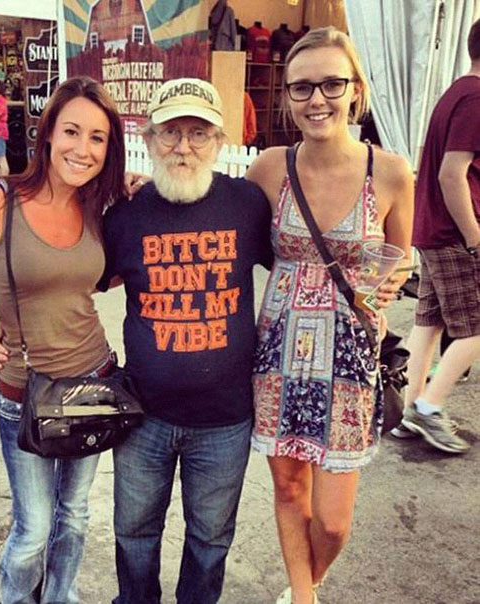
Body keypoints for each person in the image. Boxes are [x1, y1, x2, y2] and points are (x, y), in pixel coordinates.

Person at [245, 27, 414, 604]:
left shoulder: (390, 172)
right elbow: (222, 223)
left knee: (335, 521)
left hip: (349, 356)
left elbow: (401, 255)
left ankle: (307, 581)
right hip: (278, 352)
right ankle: (303, 596)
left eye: (331, 84)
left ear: (355, 90)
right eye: (302, 87)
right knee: (290, 490)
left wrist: (393, 277)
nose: (317, 99)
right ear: (287, 96)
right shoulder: (270, 168)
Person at [0, 76, 125, 603]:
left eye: (97, 137)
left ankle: (60, 597)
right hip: (24, 389)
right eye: (72, 131)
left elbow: (98, 278)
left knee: (74, 516)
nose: (83, 148)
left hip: (93, 382)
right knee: (33, 531)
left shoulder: (98, 207)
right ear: (48, 133)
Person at [97, 78, 273, 604]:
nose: (183, 147)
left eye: (198, 134)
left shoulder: (247, 204)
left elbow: (298, 262)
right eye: (170, 133)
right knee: (134, 533)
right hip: (143, 415)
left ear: (219, 142)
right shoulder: (125, 213)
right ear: (149, 140)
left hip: (225, 419)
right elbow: (74, 278)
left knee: (210, 539)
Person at [391, 18, 480, 453]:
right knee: (476, 327)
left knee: (430, 321)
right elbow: (451, 174)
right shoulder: (476, 98)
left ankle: (411, 409)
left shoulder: (457, 92)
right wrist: (475, 237)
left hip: (434, 229)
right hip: (454, 232)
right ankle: (428, 408)